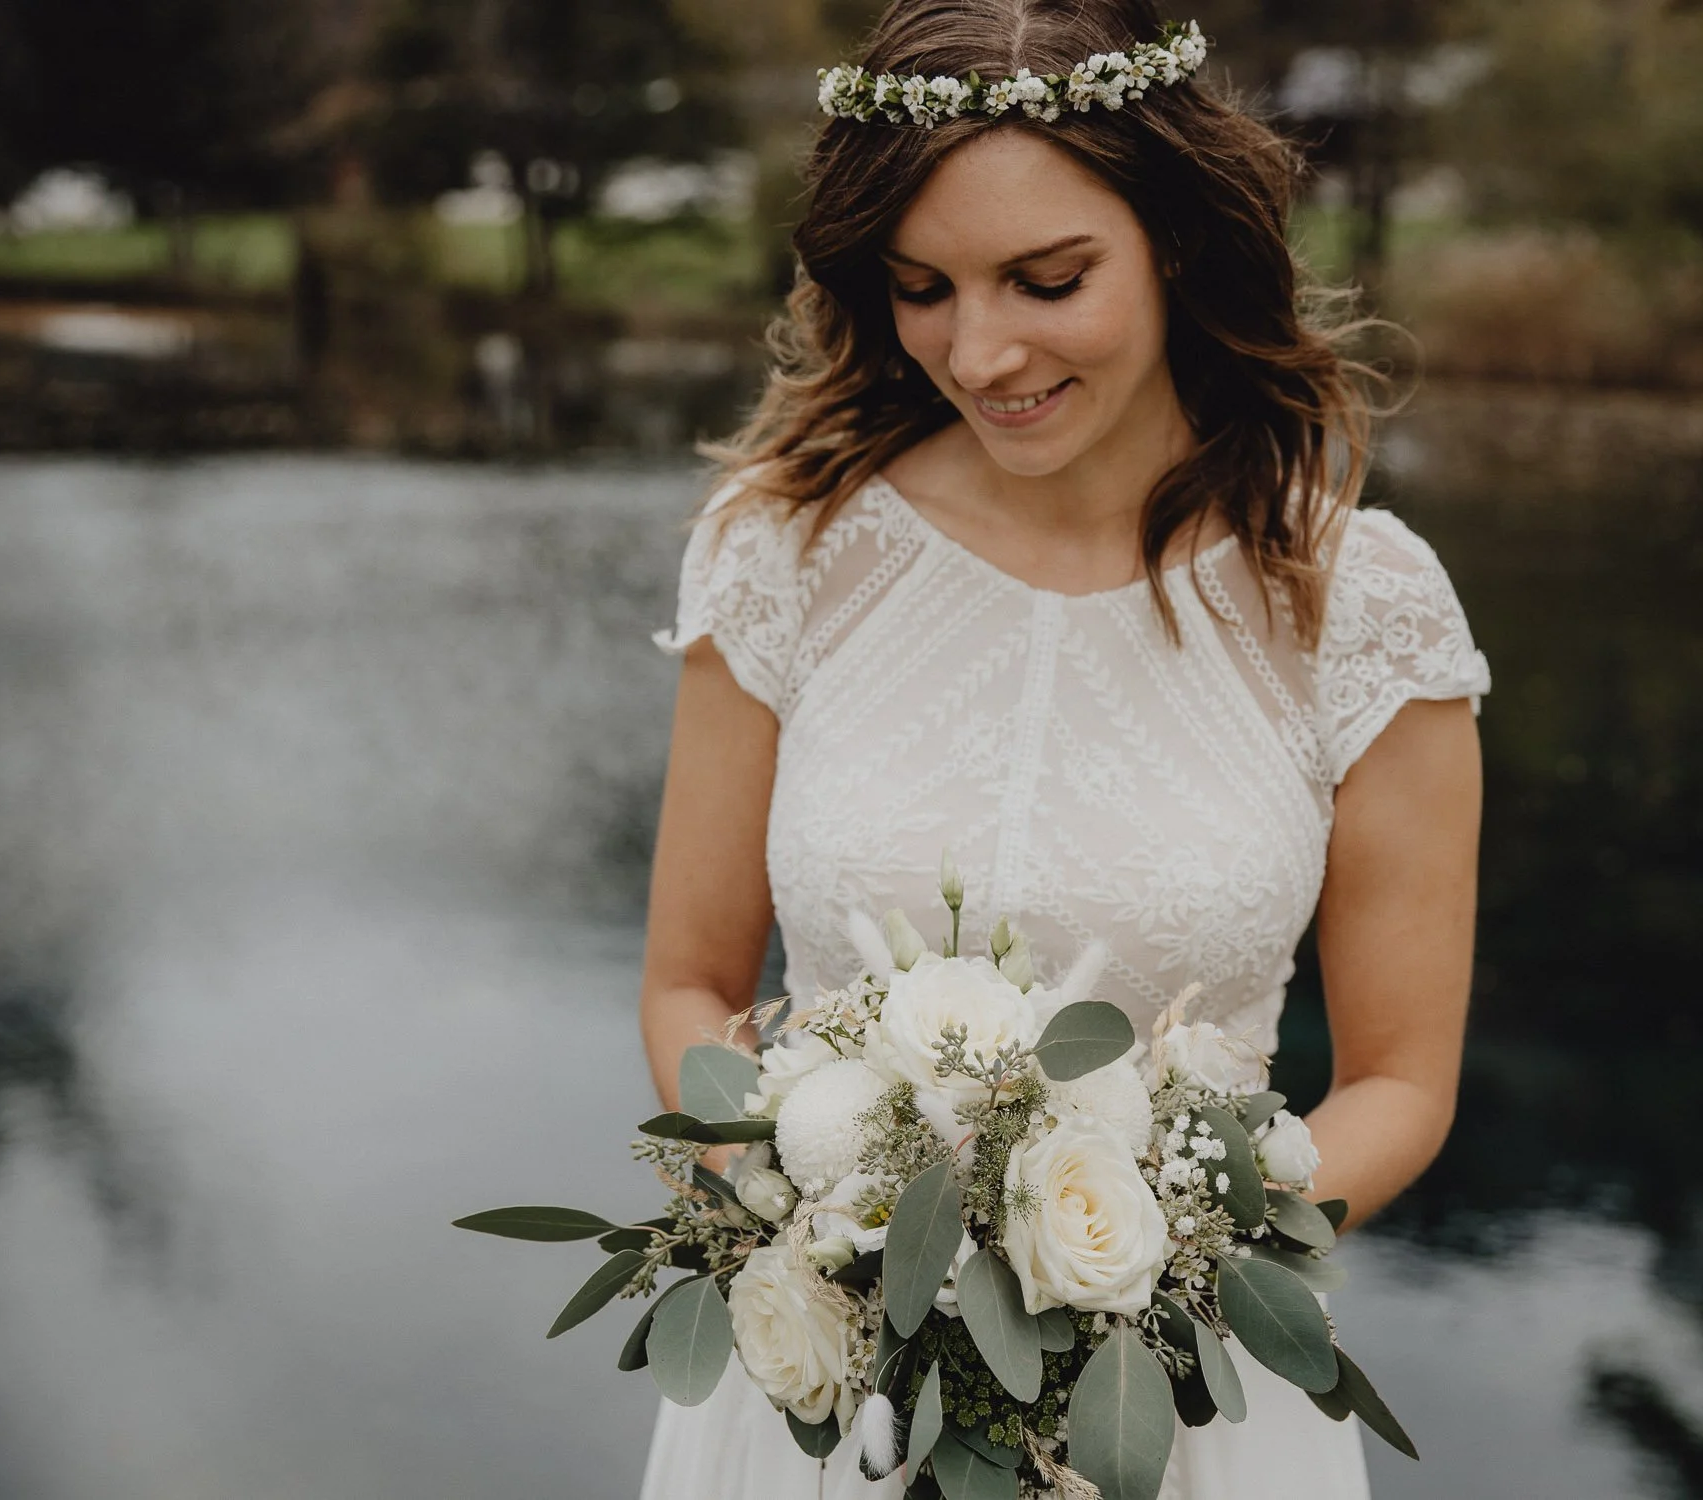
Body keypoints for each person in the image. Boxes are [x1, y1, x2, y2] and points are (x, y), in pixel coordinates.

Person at [634, 2, 1489, 1494]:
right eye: (921, 289)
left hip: (1177, 1402)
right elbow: (689, 987)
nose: (980, 351)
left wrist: (1144, 1269)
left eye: (1048, 280)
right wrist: (817, 1223)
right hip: (827, 1406)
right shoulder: (786, 549)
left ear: (1177, 243)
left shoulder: (1361, 604)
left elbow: (1401, 1084)